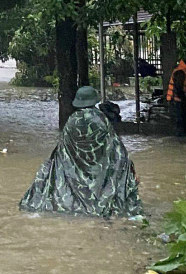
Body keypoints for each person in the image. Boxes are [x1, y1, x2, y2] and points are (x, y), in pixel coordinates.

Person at [19, 86, 142, 217]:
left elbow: (62, 149)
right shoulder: (101, 119)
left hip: (75, 167)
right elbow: (115, 148)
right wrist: (128, 170)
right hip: (99, 167)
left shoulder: (72, 120)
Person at [166, 59, 186, 137]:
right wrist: (185, 98)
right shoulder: (181, 72)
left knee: (183, 124)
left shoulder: (184, 71)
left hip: (180, 102)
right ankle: (180, 143)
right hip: (177, 103)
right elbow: (178, 89)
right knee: (180, 126)